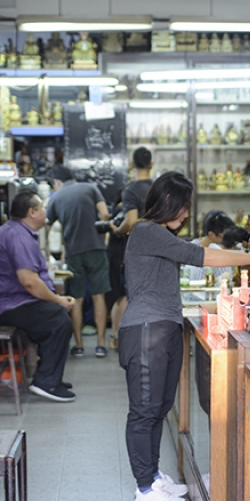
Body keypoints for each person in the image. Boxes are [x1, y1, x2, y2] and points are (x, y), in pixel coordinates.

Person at [119, 171, 250, 501]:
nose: (186, 214)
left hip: (163, 328)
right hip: (145, 331)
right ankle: (144, 488)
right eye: (183, 207)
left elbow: (198, 248)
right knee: (144, 411)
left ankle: (153, 475)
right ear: (167, 203)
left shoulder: (157, 235)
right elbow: (201, 256)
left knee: (158, 407)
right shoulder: (145, 230)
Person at [0, 189, 75, 402]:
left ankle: (50, 375)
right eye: (41, 207)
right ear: (32, 212)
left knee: (54, 317)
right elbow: (29, 282)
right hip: (8, 305)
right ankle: (46, 382)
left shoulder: (20, 232)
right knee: (58, 319)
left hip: (16, 300)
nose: (44, 211)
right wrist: (58, 300)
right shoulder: (17, 236)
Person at [46, 165, 110, 358]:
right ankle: (100, 344)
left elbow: (46, 227)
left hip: (74, 252)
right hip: (97, 250)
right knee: (99, 296)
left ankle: (79, 346)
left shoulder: (55, 197)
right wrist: (102, 238)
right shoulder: (91, 188)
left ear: (56, 182)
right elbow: (105, 214)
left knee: (77, 299)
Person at [108, 147, 154, 349]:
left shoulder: (131, 190)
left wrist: (118, 230)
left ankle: (124, 338)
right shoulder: (158, 187)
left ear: (132, 165)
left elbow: (132, 221)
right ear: (152, 165)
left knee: (130, 294)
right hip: (159, 247)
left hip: (136, 249)